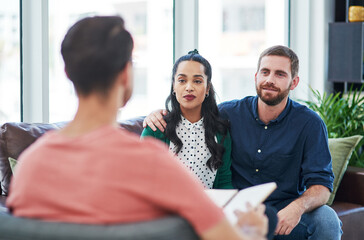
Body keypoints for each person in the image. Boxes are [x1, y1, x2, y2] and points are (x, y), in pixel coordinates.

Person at [6, 16, 268, 240]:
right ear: (125, 76)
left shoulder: (30, 165)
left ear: (67, 73)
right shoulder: (154, 162)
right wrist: (252, 232)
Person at [143, 45, 342, 239]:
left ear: (294, 82)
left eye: (280, 74)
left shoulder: (310, 124)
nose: (270, 80)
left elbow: (322, 186)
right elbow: (191, 111)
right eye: (265, 72)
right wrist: (157, 114)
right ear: (256, 77)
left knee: (327, 220)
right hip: (239, 214)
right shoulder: (227, 114)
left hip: (284, 215)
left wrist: (296, 209)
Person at [141, 50, 233, 189]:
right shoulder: (155, 129)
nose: (189, 87)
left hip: (207, 208)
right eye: (182, 80)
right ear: (174, 86)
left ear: (207, 88)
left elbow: (224, 183)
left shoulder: (221, 133)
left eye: (197, 81)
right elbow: (140, 181)